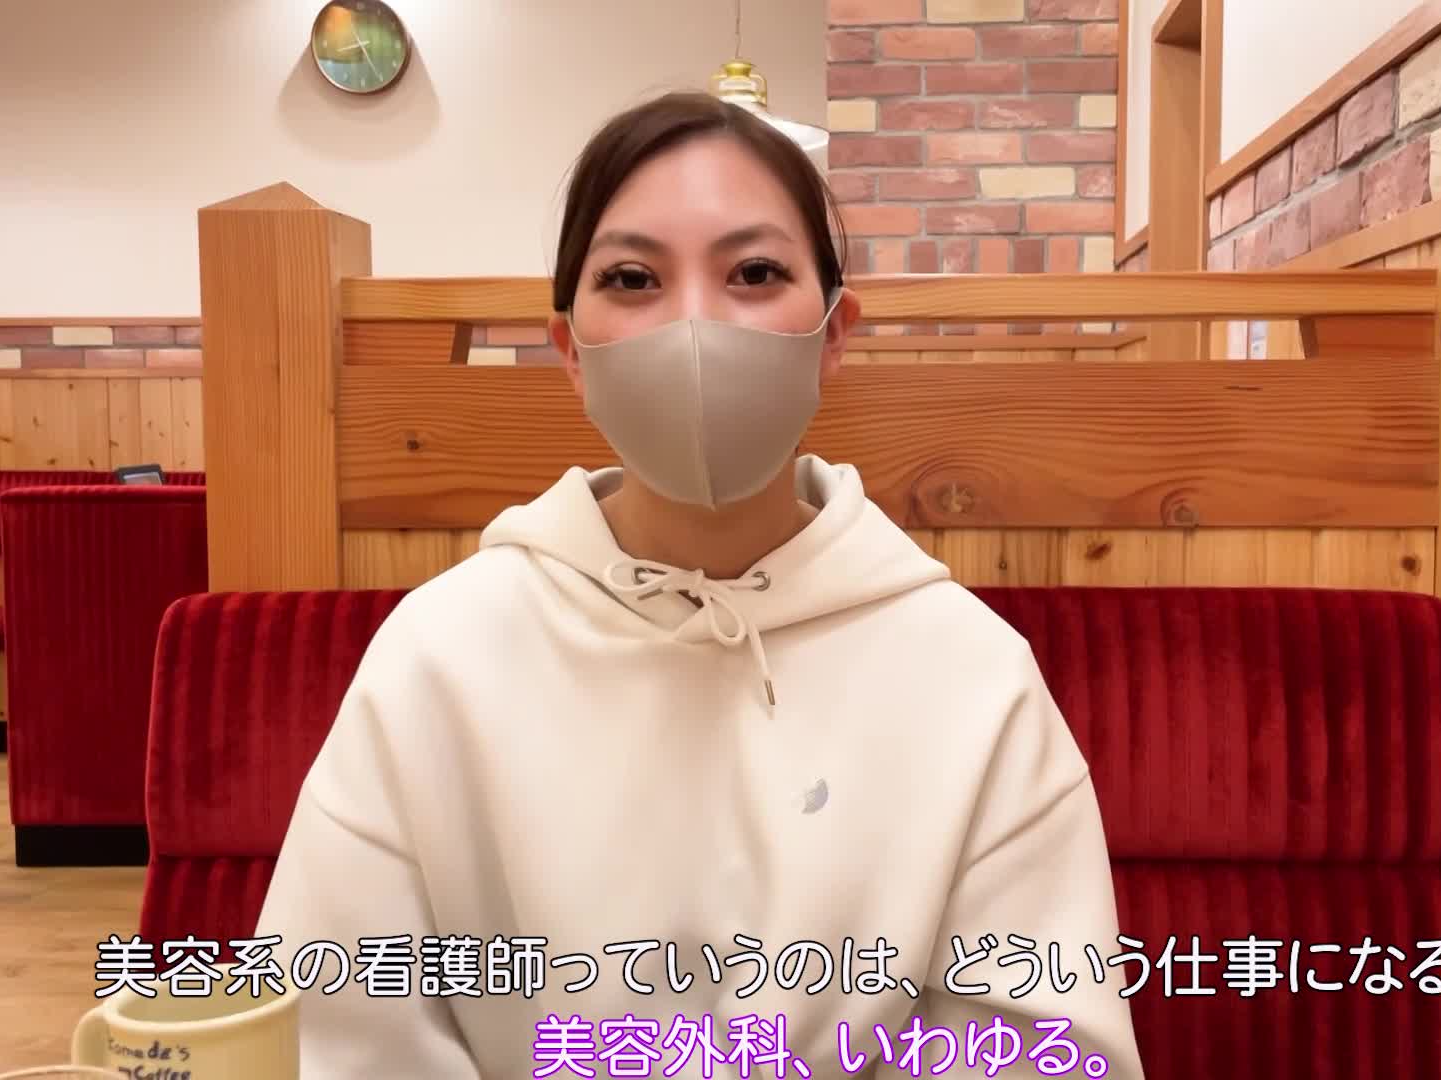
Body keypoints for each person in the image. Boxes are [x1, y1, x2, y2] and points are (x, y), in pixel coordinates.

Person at [252, 90, 1144, 1079]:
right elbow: (335, 1029)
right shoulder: (440, 658)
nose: (693, 326)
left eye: (754, 273)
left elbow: (1032, 1047)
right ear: (571, 352)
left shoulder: (972, 677)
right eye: (632, 278)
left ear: (834, 333)